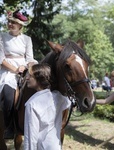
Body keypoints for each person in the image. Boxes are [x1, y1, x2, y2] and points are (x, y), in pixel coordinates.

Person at [0, 10, 37, 139]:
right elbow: (1, 59)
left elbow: (30, 59)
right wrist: (15, 69)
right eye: (9, 21)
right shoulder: (1, 36)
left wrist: (25, 66)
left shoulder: (27, 39)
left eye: (14, 23)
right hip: (7, 72)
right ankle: (9, 127)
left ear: (20, 26)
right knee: (8, 94)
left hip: (24, 71)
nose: (10, 24)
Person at [24, 64, 71, 150]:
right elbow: (69, 102)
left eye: (30, 76)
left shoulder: (32, 104)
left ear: (40, 78)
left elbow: (31, 137)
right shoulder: (59, 97)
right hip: (56, 146)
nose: (26, 78)